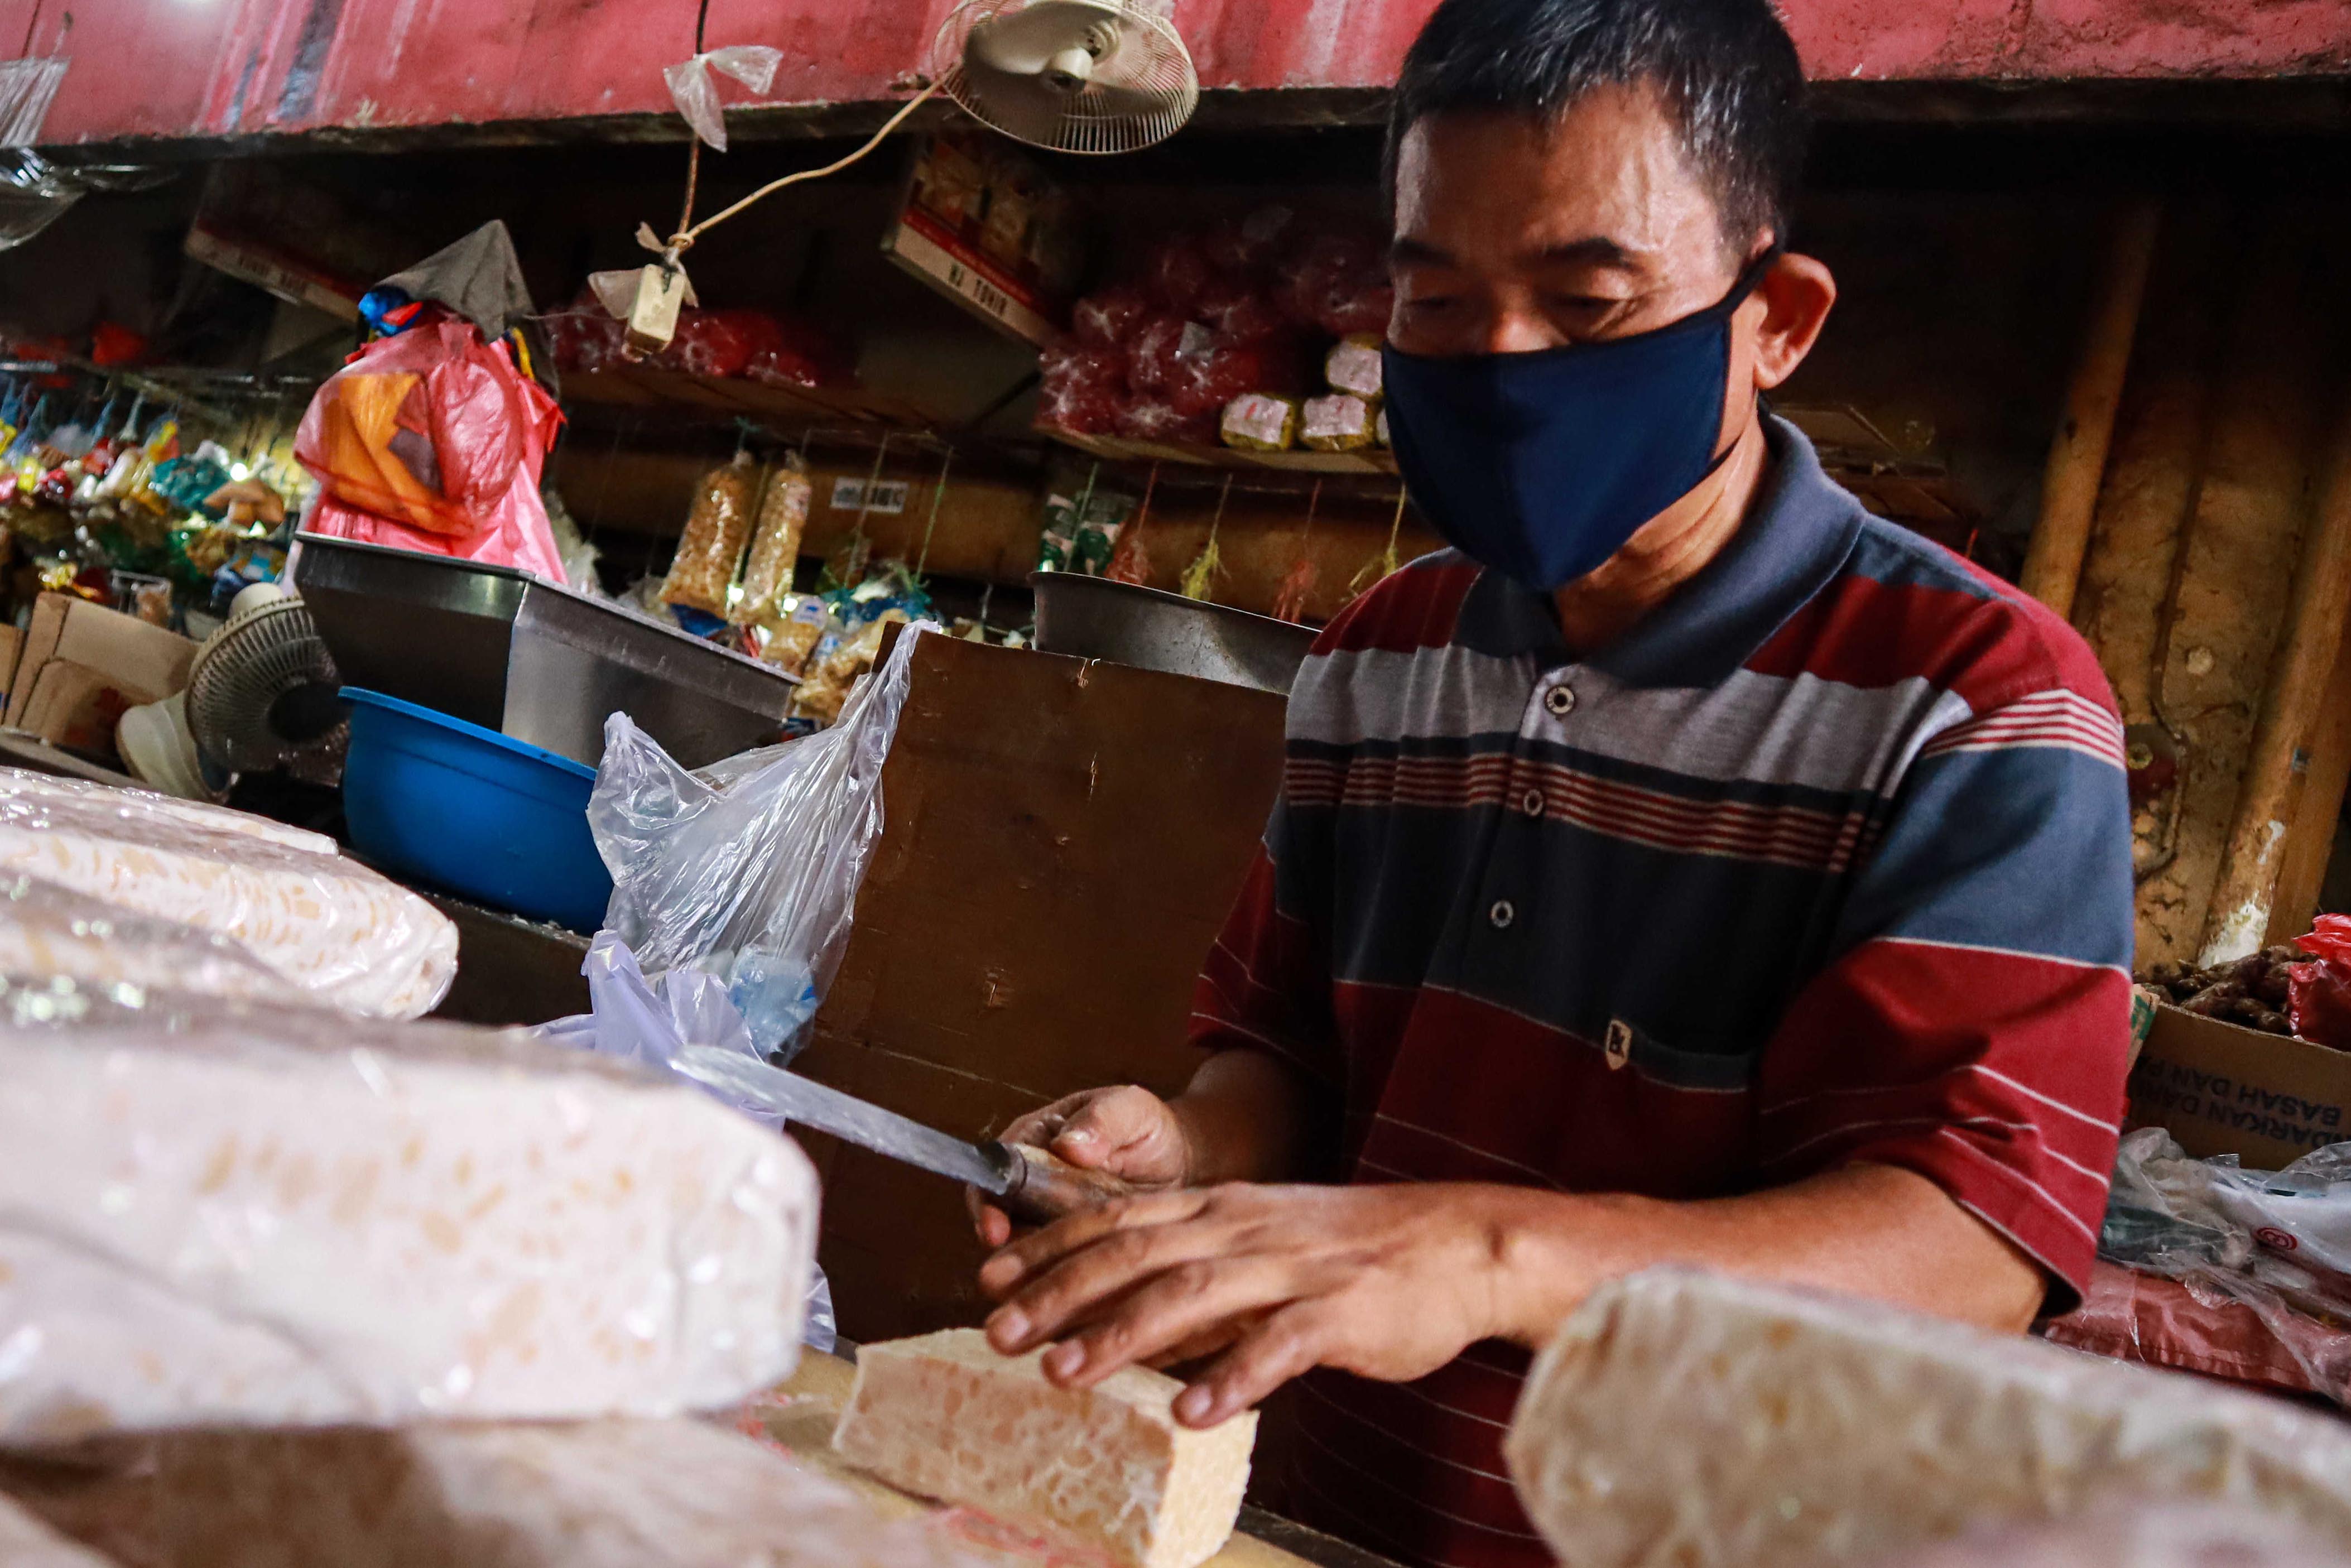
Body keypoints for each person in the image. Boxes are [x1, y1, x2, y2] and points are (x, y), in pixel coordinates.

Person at [970, 0, 2134, 1562]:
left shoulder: (1976, 699)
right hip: (1320, 1521)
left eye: (1587, 303)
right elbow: (1295, 1055)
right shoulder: (1384, 655)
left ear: (1775, 318)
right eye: (1439, 304)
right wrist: (1186, 1159)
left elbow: (1971, 1242)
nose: (1502, 363)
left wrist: (1482, 1251)